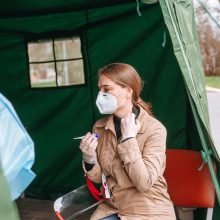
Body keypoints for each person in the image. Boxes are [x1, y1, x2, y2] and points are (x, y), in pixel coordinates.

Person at [80, 63, 176, 220]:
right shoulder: (100, 127)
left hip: (149, 210)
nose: (100, 95)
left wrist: (129, 139)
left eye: (107, 89)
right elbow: (99, 178)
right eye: (100, 89)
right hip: (112, 208)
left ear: (129, 90)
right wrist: (89, 157)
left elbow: (144, 183)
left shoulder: (155, 129)